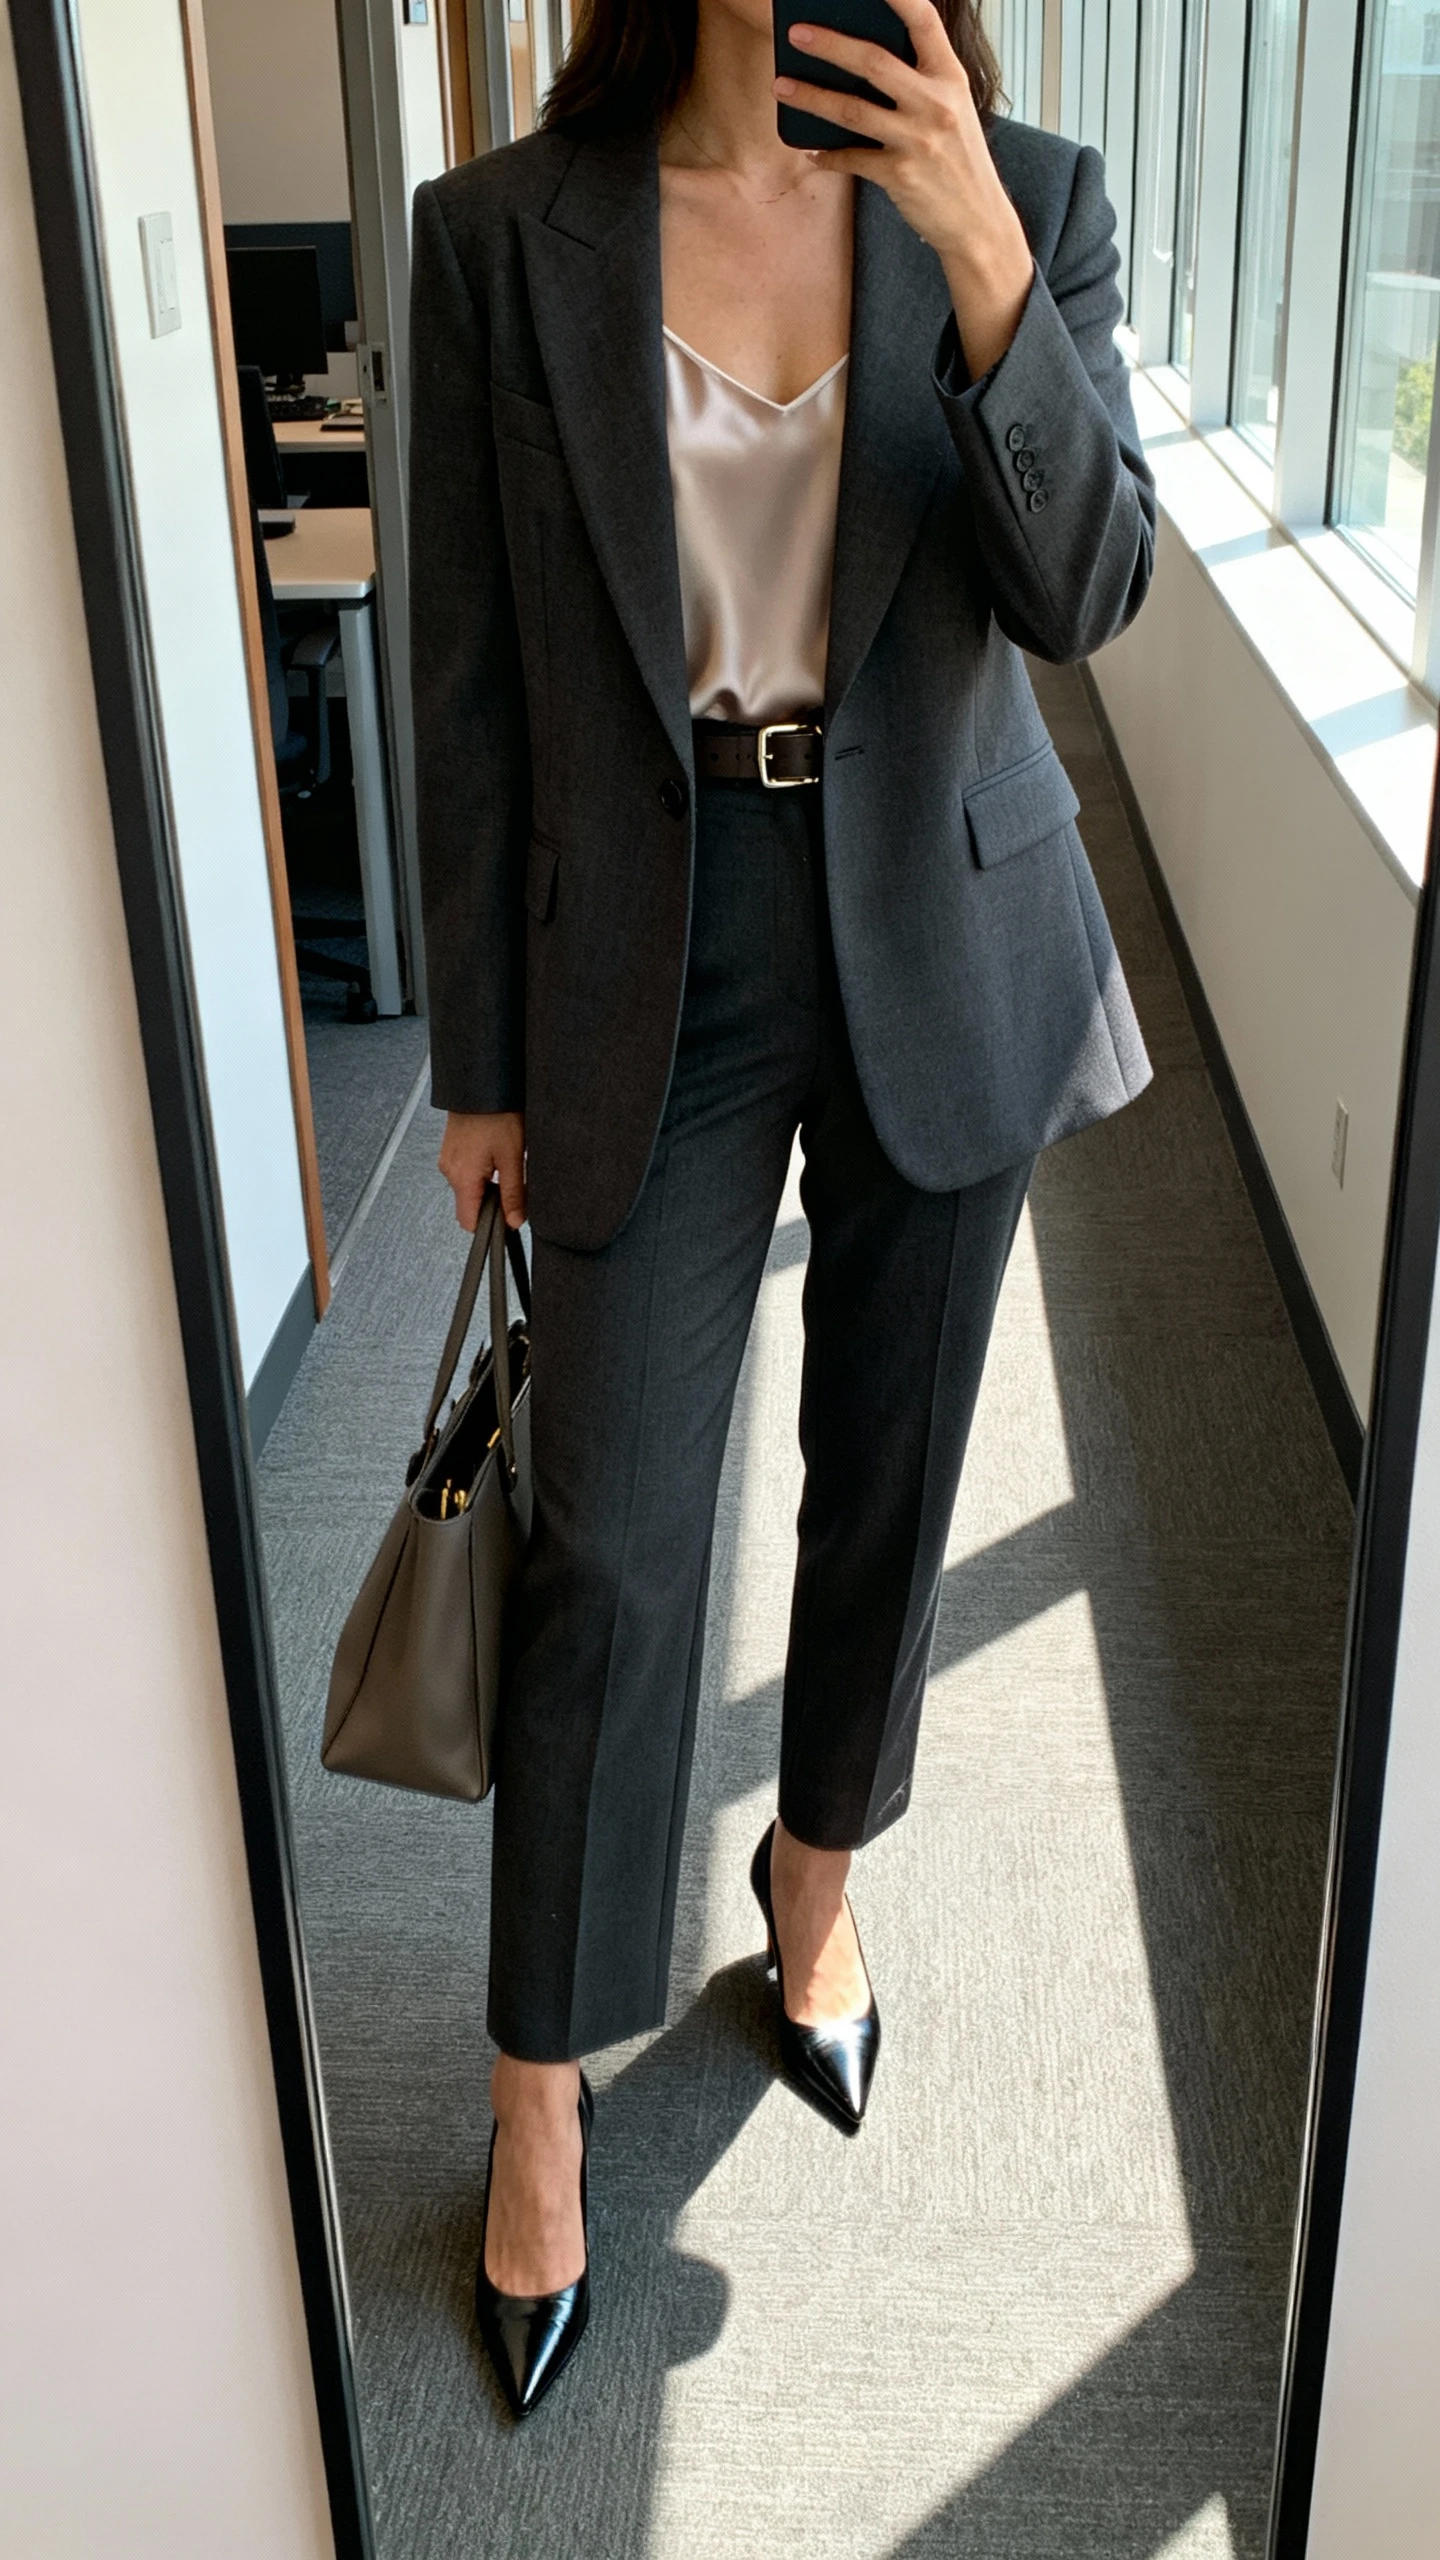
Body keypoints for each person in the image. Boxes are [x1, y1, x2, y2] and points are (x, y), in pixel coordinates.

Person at [407, 0, 1154, 2420]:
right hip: (652, 946)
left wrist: (978, 261)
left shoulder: (1029, 196)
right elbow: (467, 680)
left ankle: (812, 1882)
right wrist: (478, 1062)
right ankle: (541, 2088)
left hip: (946, 911)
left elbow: (1091, 587)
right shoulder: (501, 237)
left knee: (889, 1488)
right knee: (612, 1541)